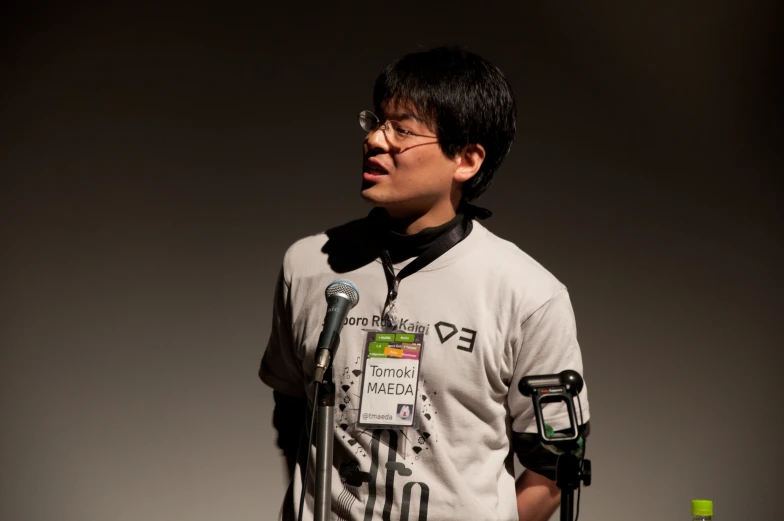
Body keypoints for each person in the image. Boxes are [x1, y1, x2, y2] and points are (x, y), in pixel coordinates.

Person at [259, 46, 591, 521]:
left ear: (467, 160)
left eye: (402, 129)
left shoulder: (529, 295)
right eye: (376, 122)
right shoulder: (308, 265)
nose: (375, 139)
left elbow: (554, 469)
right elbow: (290, 408)